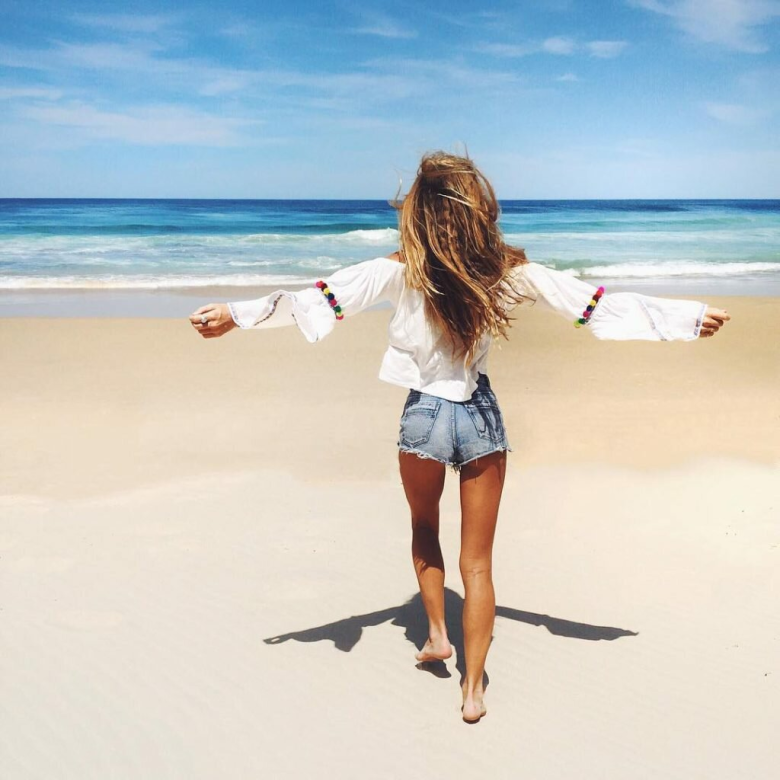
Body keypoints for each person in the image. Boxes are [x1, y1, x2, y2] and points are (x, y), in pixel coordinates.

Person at [188, 151, 730, 723]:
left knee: (425, 527)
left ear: (418, 212)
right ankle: (473, 691)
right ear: (478, 209)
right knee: (478, 564)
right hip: (479, 416)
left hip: (423, 415)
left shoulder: (399, 269)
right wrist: (686, 319)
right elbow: (592, 306)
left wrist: (235, 315)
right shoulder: (507, 272)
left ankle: (437, 637)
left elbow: (317, 301)